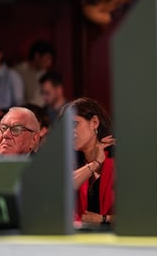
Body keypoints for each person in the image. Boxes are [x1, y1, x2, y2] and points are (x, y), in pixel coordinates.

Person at [61, 97, 116, 226]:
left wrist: (103, 219)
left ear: (94, 122)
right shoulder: (70, 163)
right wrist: (96, 163)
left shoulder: (121, 159)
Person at [14, 40, 55, 107]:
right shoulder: (18, 71)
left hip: (42, 111)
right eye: (47, 58)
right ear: (37, 56)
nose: (49, 63)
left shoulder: (44, 73)